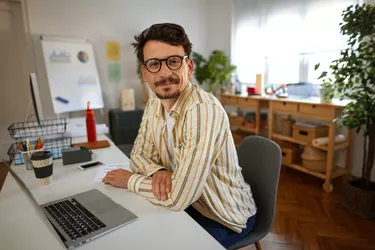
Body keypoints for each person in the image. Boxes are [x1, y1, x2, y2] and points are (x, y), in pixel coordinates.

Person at [103, 23, 257, 248]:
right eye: (154, 64)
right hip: (190, 203)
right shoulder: (155, 103)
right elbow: (138, 155)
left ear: (189, 66)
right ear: (145, 73)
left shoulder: (202, 110)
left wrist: (130, 180)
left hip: (224, 214)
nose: (165, 73)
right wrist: (159, 171)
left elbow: (178, 197)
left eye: (173, 61)